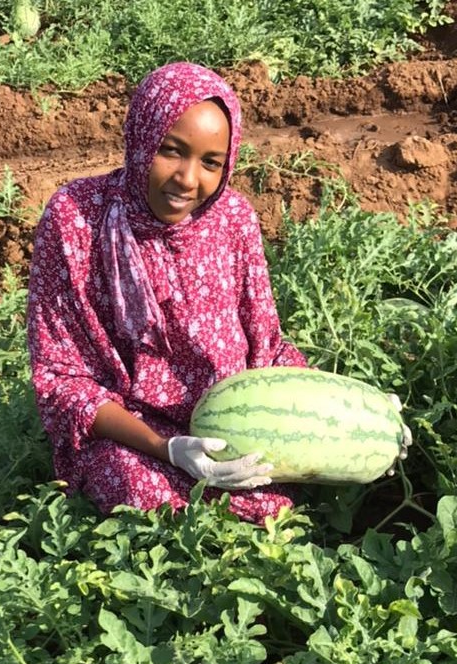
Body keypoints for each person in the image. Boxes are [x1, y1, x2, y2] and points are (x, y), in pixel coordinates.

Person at [26, 62, 310, 524]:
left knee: (269, 505)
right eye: (171, 151)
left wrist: (355, 408)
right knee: (150, 501)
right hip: (129, 431)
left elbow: (267, 344)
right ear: (142, 137)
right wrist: (168, 448)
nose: (187, 179)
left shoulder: (233, 218)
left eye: (210, 163)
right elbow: (61, 378)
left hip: (229, 424)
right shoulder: (76, 218)